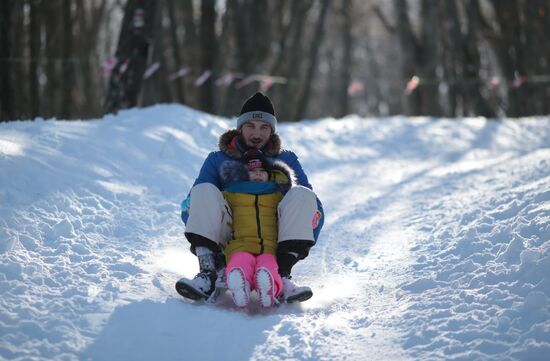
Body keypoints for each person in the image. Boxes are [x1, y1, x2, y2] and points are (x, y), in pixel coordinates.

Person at [175, 92, 324, 303]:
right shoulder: (218, 160)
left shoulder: (286, 160)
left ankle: (281, 275)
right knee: (203, 191)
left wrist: (297, 247)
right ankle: (208, 273)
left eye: (264, 127)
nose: (257, 133)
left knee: (303, 195)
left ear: (272, 131)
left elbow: (313, 208)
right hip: (229, 237)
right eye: (251, 126)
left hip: (272, 237)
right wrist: (206, 240)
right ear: (240, 128)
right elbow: (192, 205)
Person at [221, 152, 294, 307]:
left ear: (269, 175)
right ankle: (240, 286)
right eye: (252, 171)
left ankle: (268, 289)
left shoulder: (276, 194)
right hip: (240, 244)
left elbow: (289, 207)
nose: (258, 174)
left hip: (268, 247)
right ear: (243, 175)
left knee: (268, 267)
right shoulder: (232, 193)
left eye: (262, 172)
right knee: (239, 262)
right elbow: (216, 202)